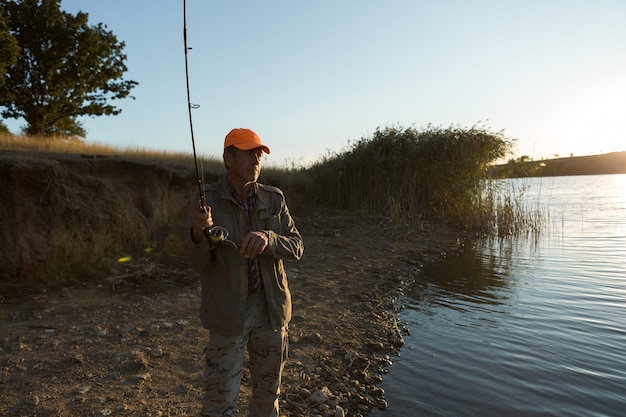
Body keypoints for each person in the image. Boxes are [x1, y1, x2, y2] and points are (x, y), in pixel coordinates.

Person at [186, 128, 304, 417]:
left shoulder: (274, 198)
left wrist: (269, 239)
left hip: (271, 310)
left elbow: (297, 246)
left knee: (267, 398)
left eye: (258, 153)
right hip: (227, 313)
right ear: (228, 158)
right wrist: (198, 231)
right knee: (219, 402)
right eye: (248, 152)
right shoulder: (206, 199)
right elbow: (197, 263)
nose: (255, 159)